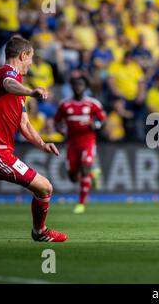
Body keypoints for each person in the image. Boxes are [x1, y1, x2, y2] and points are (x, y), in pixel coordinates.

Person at [0, 36, 67, 242]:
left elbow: (23, 124)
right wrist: (31, 92)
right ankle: (40, 232)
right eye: (31, 58)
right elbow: (8, 84)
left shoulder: (18, 86)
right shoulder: (7, 75)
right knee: (45, 187)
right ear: (23, 55)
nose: (31, 63)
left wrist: (42, 144)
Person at [54, 75, 106, 214]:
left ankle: (81, 203)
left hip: (88, 141)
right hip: (72, 143)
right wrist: (61, 130)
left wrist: (95, 124)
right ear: (72, 87)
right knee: (72, 177)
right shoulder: (65, 104)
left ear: (85, 87)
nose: (78, 87)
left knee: (84, 168)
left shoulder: (92, 104)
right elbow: (57, 121)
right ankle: (93, 174)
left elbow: (103, 119)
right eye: (76, 85)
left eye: (81, 85)